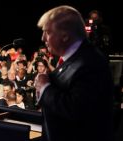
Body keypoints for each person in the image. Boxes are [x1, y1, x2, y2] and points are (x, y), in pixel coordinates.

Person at [36, 5, 113, 141]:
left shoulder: (90, 63)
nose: (43, 38)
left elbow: (76, 111)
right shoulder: (74, 58)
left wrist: (44, 88)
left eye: (47, 32)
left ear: (65, 36)